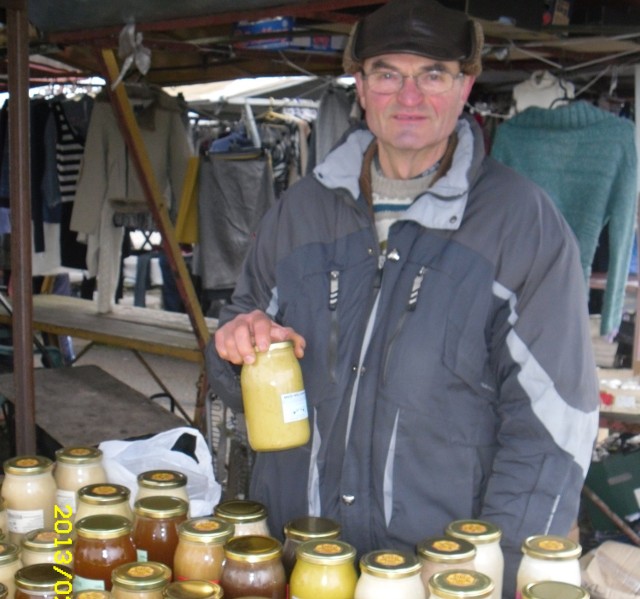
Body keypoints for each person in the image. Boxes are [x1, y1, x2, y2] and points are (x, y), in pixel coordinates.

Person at [206, 0, 600, 596]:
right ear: (361, 87)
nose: (408, 96)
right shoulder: (301, 211)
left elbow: (552, 424)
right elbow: (239, 344)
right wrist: (235, 344)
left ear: (465, 86)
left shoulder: (523, 226)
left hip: (438, 573)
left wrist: (505, 569)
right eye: (388, 73)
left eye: (433, 74)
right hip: (302, 557)